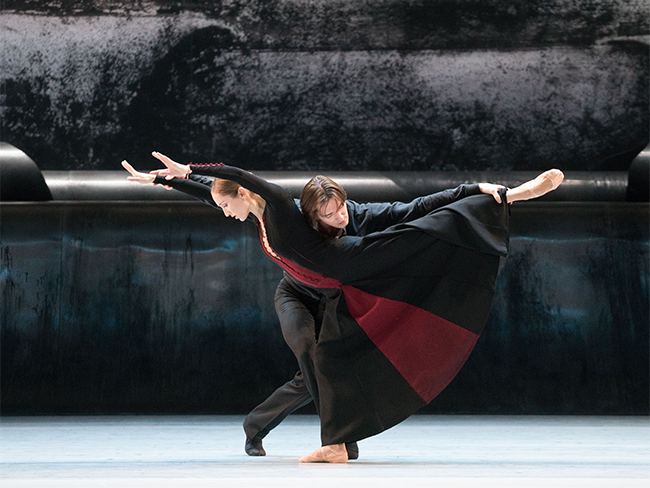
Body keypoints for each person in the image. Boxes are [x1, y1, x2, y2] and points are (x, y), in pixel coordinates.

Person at [122, 153, 563, 463]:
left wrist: (194, 165)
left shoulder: (301, 208)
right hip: (296, 292)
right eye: (331, 215)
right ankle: (327, 439)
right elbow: (213, 192)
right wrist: (170, 179)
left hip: (336, 291)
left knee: (324, 360)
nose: (341, 218)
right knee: (308, 351)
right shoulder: (268, 212)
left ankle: (506, 197)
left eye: (340, 211)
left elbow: (416, 206)